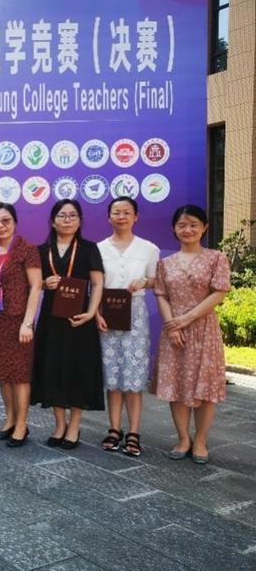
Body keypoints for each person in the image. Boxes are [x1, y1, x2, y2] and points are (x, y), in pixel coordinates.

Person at [150, 205, 230, 464]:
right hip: (174, 331)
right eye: (182, 225)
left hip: (204, 330)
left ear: (204, 228)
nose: (188, 230)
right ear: (174, 229)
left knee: (205, 388)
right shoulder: (165, 263)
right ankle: (183, 438)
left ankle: (201, 440)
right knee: (177, 385)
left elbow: (219, 292)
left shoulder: (216, 258)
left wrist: (187, 318)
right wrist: (172, 325)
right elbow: (161, 294)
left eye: (194, 224)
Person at [32, 199, 105, 449]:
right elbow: (34, 284)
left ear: (80, 221)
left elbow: (97, 283)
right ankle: (59, 424)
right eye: (62, 215)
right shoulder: (42, 250)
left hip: (80, 320)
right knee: (53, 369)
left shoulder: (89, 249)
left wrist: (91, 313)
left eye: (73, 215)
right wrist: (45, 284)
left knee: (78, 370)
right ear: (53, 221)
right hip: (51, 320)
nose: (67, 220)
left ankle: (74, 426)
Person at [95, 197, 159, 457]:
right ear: (109, 217)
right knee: (112, 374)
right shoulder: (98, 249)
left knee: (133, 375)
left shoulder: (148, 248)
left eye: (126, 212)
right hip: (107, 313)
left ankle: (133, 432)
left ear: (136, 217)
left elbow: (155, 279)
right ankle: (114, 429)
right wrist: (96, 313)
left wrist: (145, 282)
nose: (121, 216)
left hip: (135, 315)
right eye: (116, 212)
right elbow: (95, 285)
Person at [0, 203, 42, 447]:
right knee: (2, 374)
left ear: (15, 222)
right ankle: (9, 420)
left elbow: (36, 287)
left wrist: (28, 322)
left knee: (19, 374)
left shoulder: (27, 249)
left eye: (5, 220)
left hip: (18, 320)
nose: (0, 226)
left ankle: (22, 425)